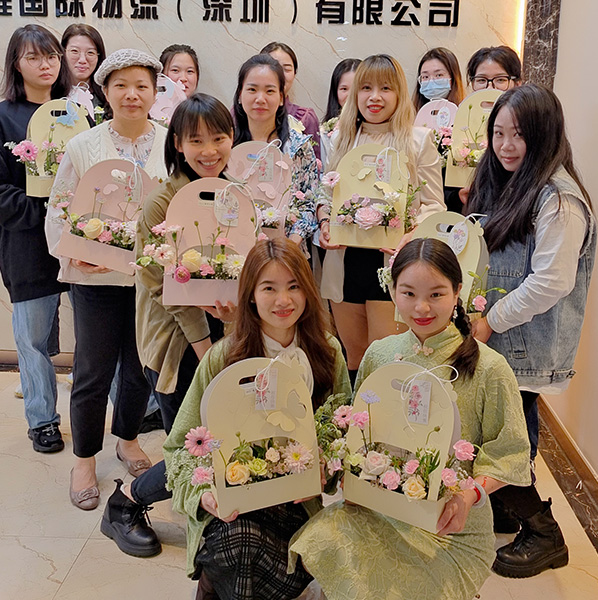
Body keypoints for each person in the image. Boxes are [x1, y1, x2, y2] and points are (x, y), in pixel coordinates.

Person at [289, 237, 531, 600]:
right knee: (326, 545)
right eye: (408, 293)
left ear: (457, 291)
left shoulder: (489, 368)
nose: (421, 307)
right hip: (378, 508)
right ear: (392, 291)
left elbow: (511, 452)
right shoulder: (379, 354)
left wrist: (469, 495)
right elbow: (361, 430)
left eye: (436, 294)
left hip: (449, 527)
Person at [164, 238, 351, 599]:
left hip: (295, 507)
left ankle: (212, 588)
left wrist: (324, 470)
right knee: (240, 541)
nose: (283, 300)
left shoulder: (327, 352)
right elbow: (178, 445)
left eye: (294, 286)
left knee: (251, 563)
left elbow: (343, 430)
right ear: (250, 294)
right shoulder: (224, 357)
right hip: (232, 508)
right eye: (269, 288)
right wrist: (203, 495)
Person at [99, 93, 238, 558]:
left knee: (223, 432)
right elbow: (163, 286)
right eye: (196, 140)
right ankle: (125, 503)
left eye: (218, 137)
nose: (209, 150)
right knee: (190, 444)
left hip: (226, 335)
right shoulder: (161, 203)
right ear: (177, 143)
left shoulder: (233, 196)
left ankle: (214, 509)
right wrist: (205, 347)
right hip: (177, 344)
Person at [467, 83, 596, 578]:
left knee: (506, 439)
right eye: (498, 133)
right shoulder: (519, 184)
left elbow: (551, 282)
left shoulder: (559, 199)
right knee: (508, 431)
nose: (505, 145)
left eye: (518, 135)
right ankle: (508, 508)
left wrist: (489, 322)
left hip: (523, 345)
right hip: (508, 341)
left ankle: (544, 533)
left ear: (544, 134)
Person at [45, 48, 168, 510]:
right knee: (92, 372)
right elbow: (59, 208)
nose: (131, 94)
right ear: (104, 91)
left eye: (141, 85)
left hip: (148, 283)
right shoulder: (83, 146)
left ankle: (128, 439)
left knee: (139, 370)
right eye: (121, 85)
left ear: (154, 92)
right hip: (95, 281)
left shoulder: (171, 143)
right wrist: (78, 252)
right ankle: (83, 459)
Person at [317, 54, 445, 384]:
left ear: (399, 93)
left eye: (385, 88)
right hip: (345, 262)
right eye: (367, 88)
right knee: (354, 355)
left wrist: (410, 234)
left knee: (385, 356)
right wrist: (324, 221)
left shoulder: (418, 140)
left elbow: (435, 205)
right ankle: (354, 415)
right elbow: (324, 194)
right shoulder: (340, 139)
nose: (375, 97)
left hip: (392, 264)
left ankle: (382, 415)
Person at [0, 25, 72, 453]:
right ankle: (43, 420)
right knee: (32, 339)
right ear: (16, 63)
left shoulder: (77, 112)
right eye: (33, 56)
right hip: (27, 243)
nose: (45, 64)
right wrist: (43, 209)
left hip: (81, 239)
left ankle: (126, 413)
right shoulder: (3, 116)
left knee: (104, 332)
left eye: (52, 56)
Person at [233, 53, 319, 251]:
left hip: (287, 251)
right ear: (239, 95)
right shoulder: (226, 144)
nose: (260, 99)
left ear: (281, 98)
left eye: (269, 91)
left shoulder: (298, 146)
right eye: (252, 89)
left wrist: (289, 245)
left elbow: (308, 204)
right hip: (234, 252)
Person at [412, 48, 466, 213]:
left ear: (452, 78)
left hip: (452, 206)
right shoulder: (411, 119)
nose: (432, 81)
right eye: (425, 77)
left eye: (439, 75)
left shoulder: (465, 121)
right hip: (417, 207)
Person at [260, 42, 321, 160]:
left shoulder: (306, 117)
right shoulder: (242, 112)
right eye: (273, 67)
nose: (280, 75)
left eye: (286, 69)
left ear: (294, 73)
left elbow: (316, 164)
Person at [320, 58, 361, 167]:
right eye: (344, 89)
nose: (350, 95)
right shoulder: (325, 132)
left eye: (356, 88)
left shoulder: (373, 130)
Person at [61, 23, 107, 111]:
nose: (82, 60)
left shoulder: (107, 95)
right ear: (63, 52)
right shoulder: (50, 92)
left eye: (90, 52)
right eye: (75, 51)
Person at [412, 47, 465, 112]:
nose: (431, 82)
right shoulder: (413, 114)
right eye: (425, 77)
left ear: (453, 77)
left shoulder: (466, 113)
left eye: (439, 75)